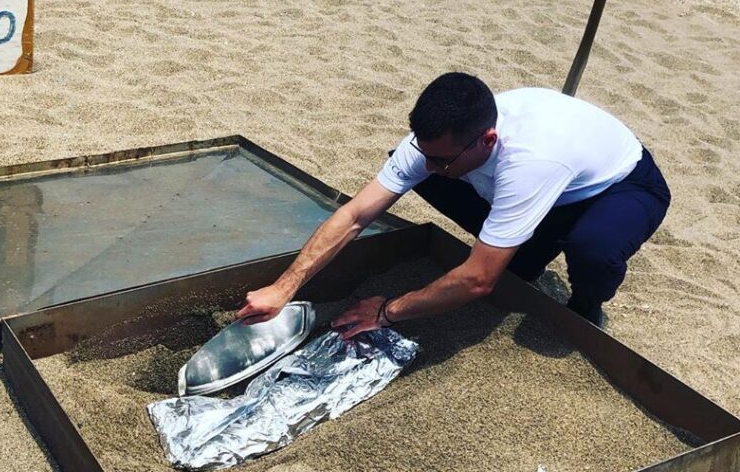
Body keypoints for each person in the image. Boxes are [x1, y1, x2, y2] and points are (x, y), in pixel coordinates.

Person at [238, 73, 670, 332]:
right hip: (537, 186)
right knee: (504, 256)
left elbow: (477, 281)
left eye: (441, 158)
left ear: (487, 139)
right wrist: (284, 287)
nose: (428, 162)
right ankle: (528, 250)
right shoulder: (435, 145)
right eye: (424, 151)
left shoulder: (531, 161)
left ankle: (586, 304)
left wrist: (387, 312)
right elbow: (355, 214)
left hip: (618, 186)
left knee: (591, 249)